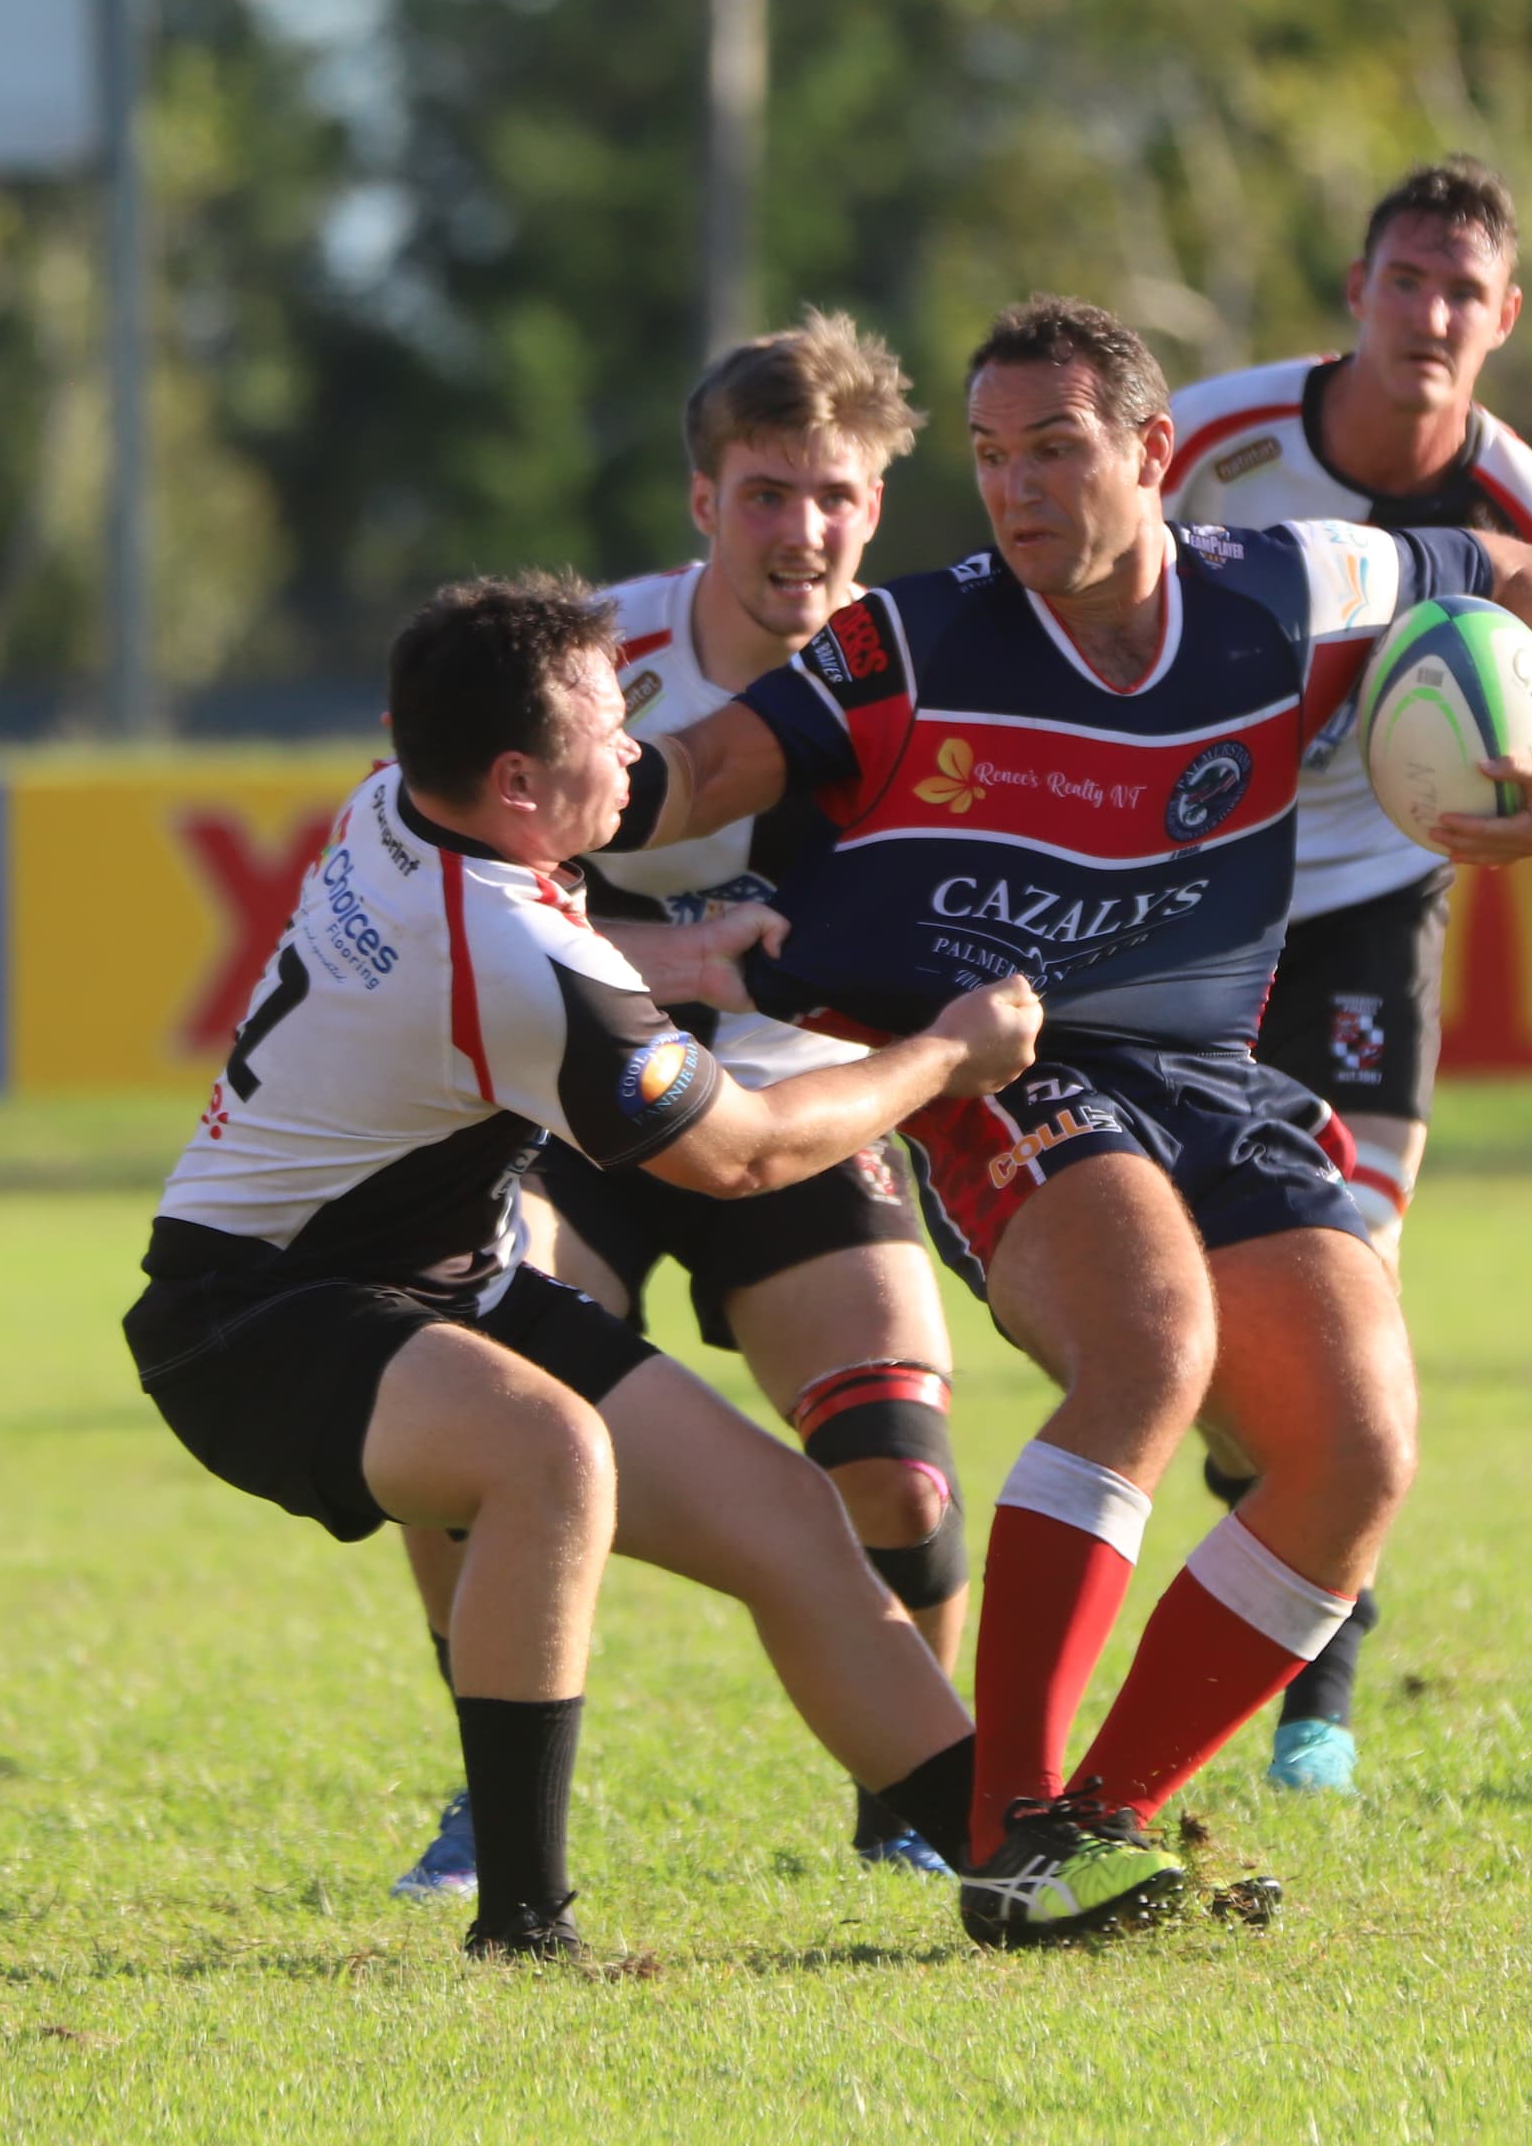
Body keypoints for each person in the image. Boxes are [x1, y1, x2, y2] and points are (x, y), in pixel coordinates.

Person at [617, 295, 1532, 1946]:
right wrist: (565, 791)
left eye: (1056, 449)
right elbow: (710, 769)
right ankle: (1013, 1836)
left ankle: (1109, 1819)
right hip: (995, 1061)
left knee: (1354, 1448)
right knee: (1150, 1345)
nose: (1014, 489)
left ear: (1153, 456)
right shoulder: (912, 640)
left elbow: (1520, 575)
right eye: (991, 456)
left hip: (1213, 1079)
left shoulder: (1287, 586)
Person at [124, 573, 1054, 1961]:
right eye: (607, 726)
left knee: (792, 1521)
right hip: (247, 1315)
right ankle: (523, 1924)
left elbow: (532, 959)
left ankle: (1008, 1862)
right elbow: (741, 1156)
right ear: (514, 780)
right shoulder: (504, 949)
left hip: (425, 1275)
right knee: (548, 1456)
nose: (635, 747)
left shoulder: (395, 802)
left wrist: (680, 957)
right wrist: (942, 1057)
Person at [388, 314, 973, 1900]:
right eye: (769, 492)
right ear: (706, 501)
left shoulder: (934, 671)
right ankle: (481, 1793)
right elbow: (438, 874)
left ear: (875, 505)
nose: (806, 530)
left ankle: (912, 1793)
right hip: (570, 1113)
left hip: (796, 1102)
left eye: (836, 495)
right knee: (477, 1427)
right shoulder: (590, 661)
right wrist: (680, 954)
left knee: (900, 1466)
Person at [1160, 154, 1532, 1791]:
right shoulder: (1211, 440)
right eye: (1408, 280)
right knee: (1191, 1323)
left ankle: (1322, 1676)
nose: (1433, 314)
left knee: (1349, 1292)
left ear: (1507, 318)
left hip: (1379, 914)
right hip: (1191, 897)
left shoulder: (1530, 512)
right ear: (1357, 291)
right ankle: (1296, 1541)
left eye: (1466, 291)